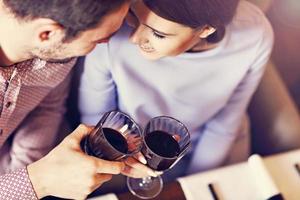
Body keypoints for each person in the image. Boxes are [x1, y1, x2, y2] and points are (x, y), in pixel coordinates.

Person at [79, 0, 274, 180]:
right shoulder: (112, 23)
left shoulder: (255, 35)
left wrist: (195, 181)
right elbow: (95, 113)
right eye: (133, 15)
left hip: (207, 149)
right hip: (123, 147)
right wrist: (122, 161)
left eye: (158, 34)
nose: (134, 38)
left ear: (206, 29)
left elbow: (224, 124)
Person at [0, 0, 130, 199]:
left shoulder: (56, 52)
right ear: (47, 34)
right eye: (99, 39)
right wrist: (39, 181)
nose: (106, 44)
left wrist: (25, 171)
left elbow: (47, 106)